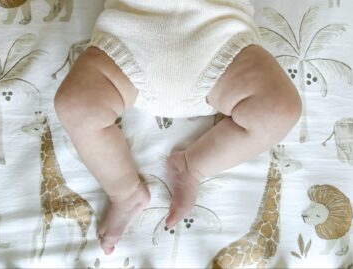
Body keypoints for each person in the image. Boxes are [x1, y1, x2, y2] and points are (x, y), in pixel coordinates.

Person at [54, 0, 302, 255]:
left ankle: (192, 167)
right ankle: (125, 192)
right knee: (75, 105)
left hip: (219, 39)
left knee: (280, 109)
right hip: (129, 37)